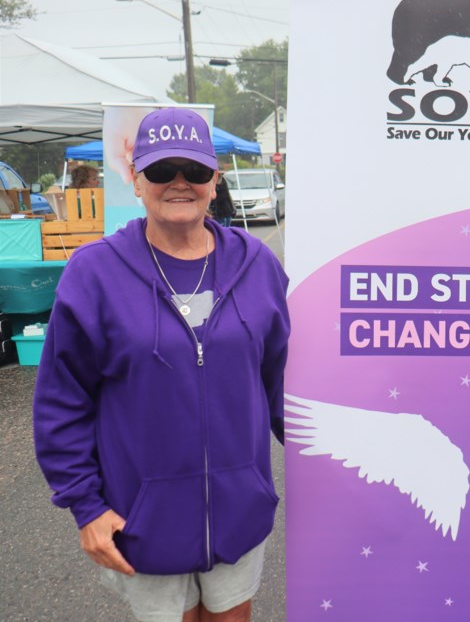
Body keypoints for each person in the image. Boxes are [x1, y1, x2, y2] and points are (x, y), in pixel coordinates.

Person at [33, 107, 290, 622]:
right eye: (161, 171)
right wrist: (85, 505)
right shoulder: (95, 273)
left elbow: (282, 381)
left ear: (214, 180)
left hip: (238, 512)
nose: (179, 184)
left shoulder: (257, 266)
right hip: (141, 518)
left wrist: (334, 469)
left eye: (194, 171)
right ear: (135, 179)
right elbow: (62, 401)